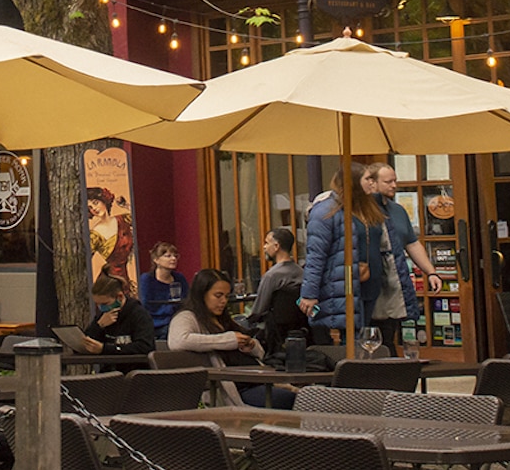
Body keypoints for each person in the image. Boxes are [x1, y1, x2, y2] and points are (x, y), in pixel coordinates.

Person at [169, 268, 291, 408]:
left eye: (226, 296)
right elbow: (178, 341)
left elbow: (261, 354)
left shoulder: (223, 319)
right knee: (292, 399)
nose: (223, 301)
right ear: (201, 294)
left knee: (310, 397)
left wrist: (251, 346)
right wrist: (228, 340)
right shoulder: (187, 317)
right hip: (233, 390)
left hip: (259, 380)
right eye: (218, 295)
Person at [298, 164, 384, 345]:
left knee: (360, 338)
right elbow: (315, 256)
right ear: (353, 182)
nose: (372, 183)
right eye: (367, 179)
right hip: (338, 286)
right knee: (345, 341)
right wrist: (309, 293)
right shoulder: (326, 211)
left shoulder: (361, 208)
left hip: (363, 285)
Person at [368, 162, 435, 346]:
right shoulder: (362, 211)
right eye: (388, 182)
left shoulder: (397, 210)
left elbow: (412, 243)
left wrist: (431, 272)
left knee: (390, 332)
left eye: (395, 181)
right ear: (372, 183)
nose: (394, 186)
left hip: (395, 278)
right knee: (371, 334)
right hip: (372, 280)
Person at [82, 272, 156, 355]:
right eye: (98, 304)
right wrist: (99, 326)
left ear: (120, 297)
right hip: (108, 366)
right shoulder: (103, 315)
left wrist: (105, 349)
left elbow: (145, 346)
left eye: (105, 304)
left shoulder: (139, 313)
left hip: (134, 365)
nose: (101, 307)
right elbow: (86, 344)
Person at [87, 187, 135, 283]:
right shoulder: (94, 234)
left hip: (129, 275)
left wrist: (125, 205)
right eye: (90, 208)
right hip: (111, 281)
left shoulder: (122, 219)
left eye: (96, 203)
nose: (95, 209)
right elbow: (86, 260)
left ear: (104, 201)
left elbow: (138, 218)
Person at [138, 242, 186, 330]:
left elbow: (187, 300)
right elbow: (145, 305)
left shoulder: (179, 278)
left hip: (177, 320)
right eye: (168, 256)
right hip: (156, 323)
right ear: (156, 259)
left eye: (175, 256)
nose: (173, 259)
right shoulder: (147, 279)